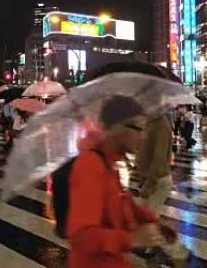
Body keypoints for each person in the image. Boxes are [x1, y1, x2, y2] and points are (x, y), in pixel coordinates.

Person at [67, 96, 176, 268]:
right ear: (116, 128)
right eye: (138, 128)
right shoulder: (91, 165)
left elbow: (122, 203)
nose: (143, 135)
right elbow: (81, 237)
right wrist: (132, 239)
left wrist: (152, 221)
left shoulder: (109, 162)